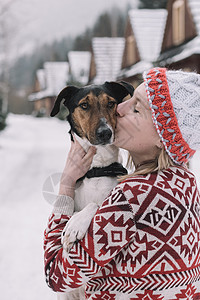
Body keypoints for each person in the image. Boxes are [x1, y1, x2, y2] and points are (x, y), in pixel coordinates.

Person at [44, 67, 200, 299]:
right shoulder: (187, 184)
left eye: (136, 108)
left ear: (162, 137)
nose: (118, 110)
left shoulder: (129, 198)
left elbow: (57, 276)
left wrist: (66, 184)